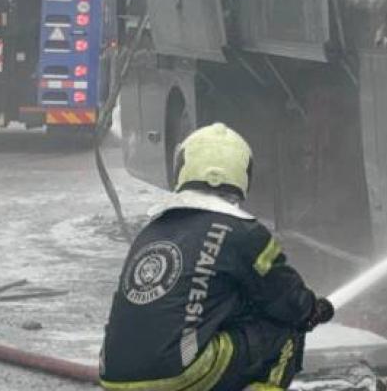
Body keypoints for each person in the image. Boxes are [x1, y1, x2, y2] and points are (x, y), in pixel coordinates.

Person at [99, 123, 336, 391]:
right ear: (243, 173)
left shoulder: (154, 229)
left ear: (182, 167)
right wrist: (313, 310)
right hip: (178, 373)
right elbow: (289, 301)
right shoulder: (243, 232)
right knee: (286, 330)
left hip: (114, 374)